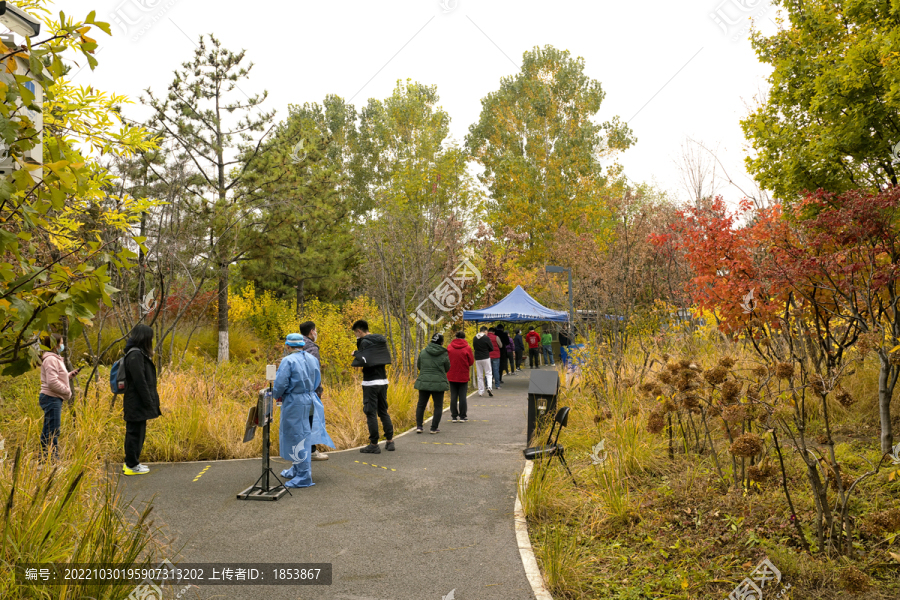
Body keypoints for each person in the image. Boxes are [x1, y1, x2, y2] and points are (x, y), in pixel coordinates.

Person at [275, 333, 333, 488]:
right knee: (302, 436)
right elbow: (316, 379)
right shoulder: (312, 359)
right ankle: (297, 469)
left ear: (287, 346)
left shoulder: (288, 360)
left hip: (295, 402)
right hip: (311, 399)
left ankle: (303, 475)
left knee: (297, 437)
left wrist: (276, 394)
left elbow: (280, 384)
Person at [122, 324, 162, 476]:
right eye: (150, 336)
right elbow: (140, 381)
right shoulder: (135, 355)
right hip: (136, 401)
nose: (152, 339)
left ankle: (132, 463)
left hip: (137, 401)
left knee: (138, 432)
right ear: (144, 337)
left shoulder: (138, 353)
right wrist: (148, 401)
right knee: (134, 433)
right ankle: (131, 465)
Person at [350, 320, 395, 454]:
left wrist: (355, 353)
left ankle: (374, 444)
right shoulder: (380, 340)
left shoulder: (365, 342)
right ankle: (390, 441)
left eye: (355, 334)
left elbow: (365, 360)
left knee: (371, 413)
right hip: (383, 380)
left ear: (359, 331)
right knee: (383, 411)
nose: (356, 336)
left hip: (370, 382)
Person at [38, 333, 78, 461]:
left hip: (53, 397)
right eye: (61, 343)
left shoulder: (54, 358)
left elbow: (56, 377)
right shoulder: (50, 359)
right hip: (51, 397)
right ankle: (52, 459)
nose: (62, 345)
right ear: (55, 345)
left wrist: (68, 375)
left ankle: (45, 457)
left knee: (48, 429)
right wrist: (67, 391)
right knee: (53, 430)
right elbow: (52, 382)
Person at [299, 320, 329, 461]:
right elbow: (314, 371)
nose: (316, 333)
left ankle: (299, 450)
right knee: (310, 420)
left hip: (295, 392)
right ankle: (310, 451)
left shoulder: (295, 345)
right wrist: (319, 389)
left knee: (300, 421)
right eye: (315, 330)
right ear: (312, 331)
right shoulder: (311, 348)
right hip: (309, 391)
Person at [414, 333, 450, 434]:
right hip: (438, 383)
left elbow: (419, 365)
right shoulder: (444, 353)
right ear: (441, 342)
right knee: (438, 406)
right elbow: (447, 368)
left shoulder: (423, 352)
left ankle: (419, 426)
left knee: (421, 404)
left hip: (424, 381)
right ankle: (433, 428)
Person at [447, 330, 474, 423]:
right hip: (463, 375)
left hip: (452, 374)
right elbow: (471, 362)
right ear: (464, 337)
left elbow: (446, 360)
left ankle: (454, 416)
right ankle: (462, 416)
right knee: (462, 396)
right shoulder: (467, 348)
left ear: (455, 337)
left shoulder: (449, 347)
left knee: (453, 396)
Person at [472, 326, 494, 397]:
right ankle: (489, 387)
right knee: (488, 373)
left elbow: (474, 347)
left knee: (479, 375)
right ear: (485, 331)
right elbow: (491, 348)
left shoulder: (475, 338)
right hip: (486, 357)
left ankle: (480, 391)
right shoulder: (486, 338)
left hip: (478, 358)